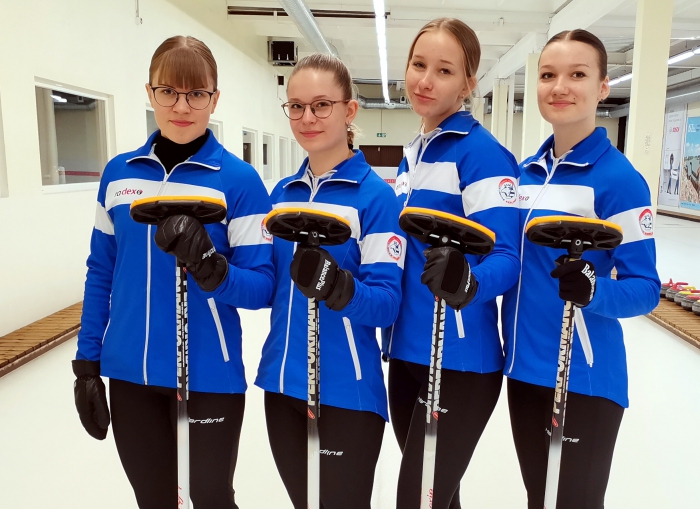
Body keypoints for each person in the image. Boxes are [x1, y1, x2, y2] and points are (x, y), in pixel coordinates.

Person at [71, 35, 274, 508]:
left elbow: (262, 286)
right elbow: (101, 271)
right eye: (168, 92)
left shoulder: (239, 181)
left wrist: (212, 268)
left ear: (214, 99)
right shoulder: (118, 175)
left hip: (209, 373)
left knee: (210, 497)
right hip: (130, 373)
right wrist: (86, 363)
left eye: (196, 94)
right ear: (150, 93)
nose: (181, 107)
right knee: (154, 498)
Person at [501, 29, 660, 509]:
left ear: (603, 87)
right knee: (539, 498)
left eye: (577, 75)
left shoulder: (620, 180)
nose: (559, 87)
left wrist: (594, 291)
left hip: (583, 376)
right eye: (548, 75)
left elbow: (645, 288)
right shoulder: (525, 174)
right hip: (523, 370)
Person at [255, 54, 404, 509]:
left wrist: (338, 287)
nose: (307, 118)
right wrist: (210, 266)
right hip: (281, 385)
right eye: (296, 106)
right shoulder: (282, 196)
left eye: (321, 105)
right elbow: (269, 287)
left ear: (349, 110)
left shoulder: (376, 198)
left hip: (347, 392)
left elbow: (386, 303)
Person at [383, 18, 521, 509]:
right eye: (418, 65)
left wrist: (469, 282)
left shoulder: (482, 154)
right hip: (406, 352)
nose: (425, 80)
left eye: (444, 70)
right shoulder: (413, 155)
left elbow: (507, 257)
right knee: (437, 498)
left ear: (467, 83)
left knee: (417, 499)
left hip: (458, 358)